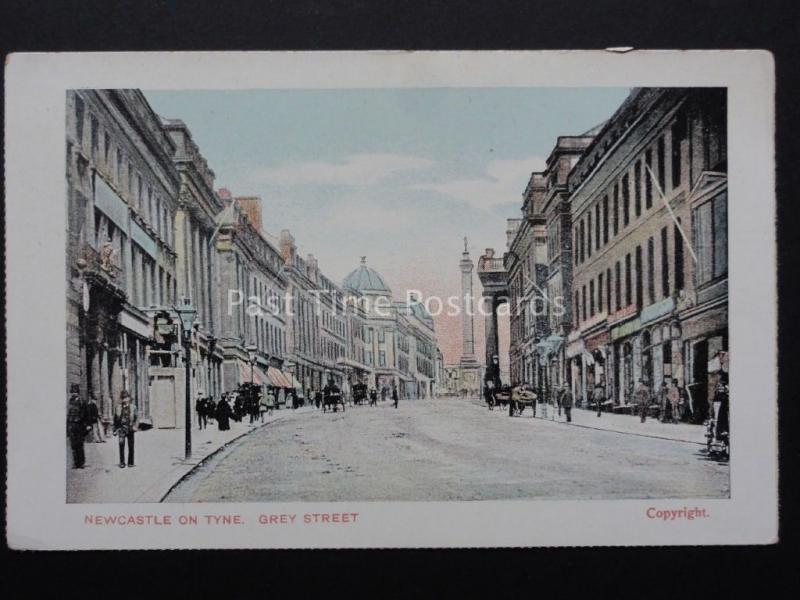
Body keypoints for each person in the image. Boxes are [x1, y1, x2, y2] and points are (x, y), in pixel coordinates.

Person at [113, 390, 138, 468]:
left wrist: (135, 426)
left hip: (130, 428)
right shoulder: (118, 407)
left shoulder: (133, 407)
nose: (124, 399)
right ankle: (122, 462)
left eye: (126, 398)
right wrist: (114, 430)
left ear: (129, 398)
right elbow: (115, 419)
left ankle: (130, 462)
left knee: (131, 446)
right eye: (123, 398)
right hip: (121, 429)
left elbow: (137, 418)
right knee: (121, 445)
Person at [67, 384, 89, 469]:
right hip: (72, 425)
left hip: (80, 425)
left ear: (78, 393)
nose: (73, 394)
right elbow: (68, 414)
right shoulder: (70, 401)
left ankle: (81, 462)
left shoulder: (82, 401)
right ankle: (76, 463)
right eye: (72, 392)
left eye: (75, 392)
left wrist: (87, 424)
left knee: (80, 445)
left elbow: (86, 414)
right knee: (73, 445)